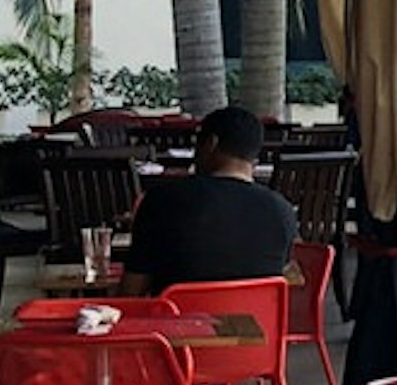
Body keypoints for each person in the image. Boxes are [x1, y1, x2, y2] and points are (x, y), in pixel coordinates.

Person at [117, 105, 294, 292]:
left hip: (177, 319)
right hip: (257, 320)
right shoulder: (282, 211)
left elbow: (132, 291)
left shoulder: (161, 200)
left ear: (211, 143)